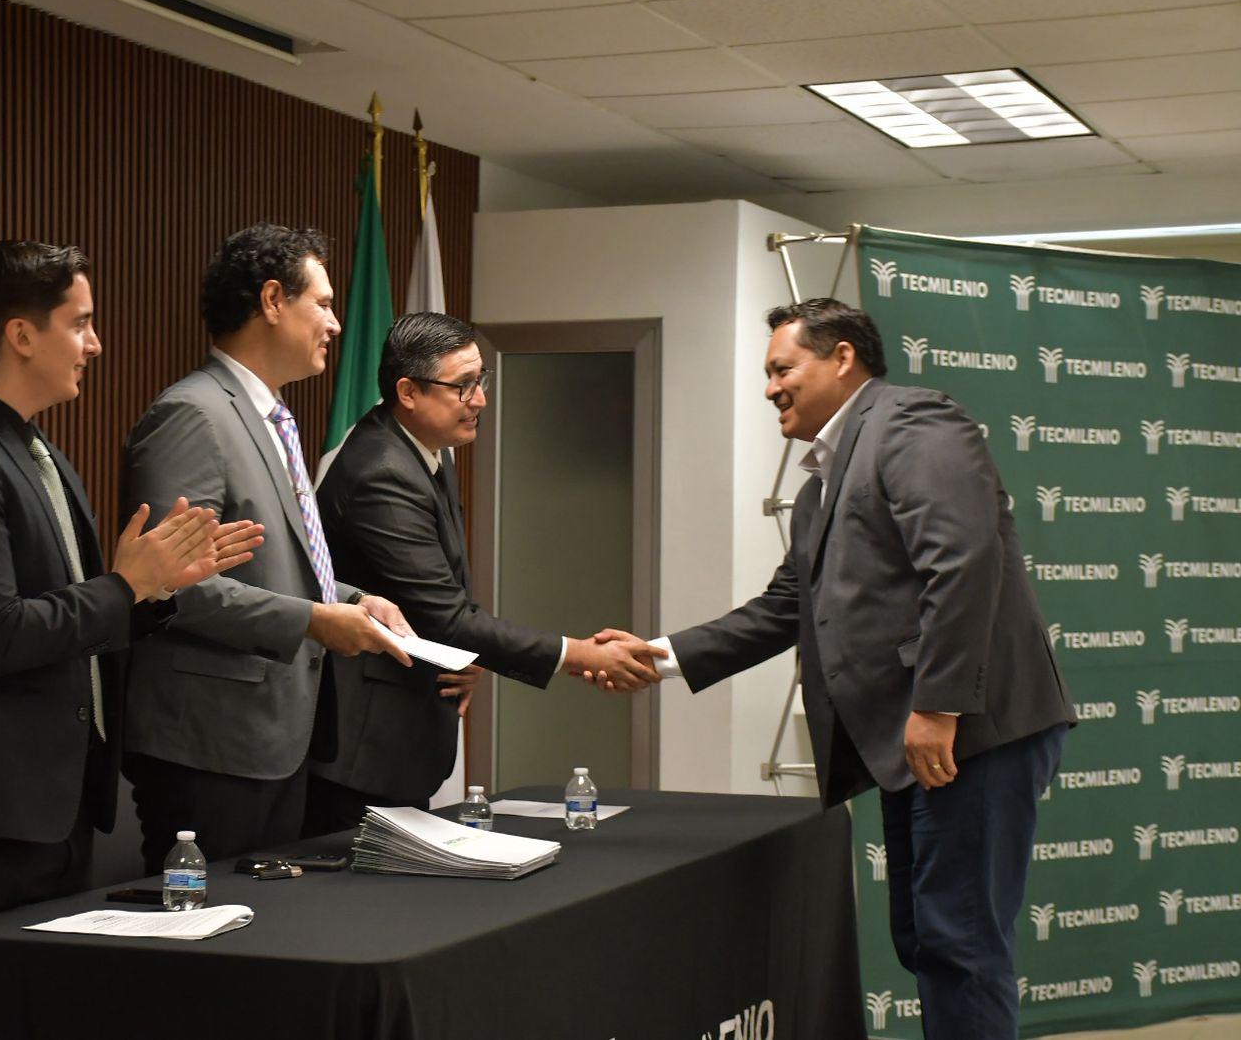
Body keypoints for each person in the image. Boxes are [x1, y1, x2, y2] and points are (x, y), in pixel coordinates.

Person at [610, 298, 1074, 1039]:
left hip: (968, 732)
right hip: (916, 741)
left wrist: (938, 706)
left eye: (782, 368)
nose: (770, 388)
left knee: (961, 946)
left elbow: (963, 561)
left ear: (843, 357)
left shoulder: (912, 422)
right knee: (927, 939)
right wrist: (656, 657)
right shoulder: (819, 486)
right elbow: (783, 609)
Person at [0, 241, 263, 989]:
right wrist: (125, 584)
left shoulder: (35, 449)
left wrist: (155, 590)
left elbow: (78, 617)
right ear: (21, 334)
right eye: (80, 323)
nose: (95, 343)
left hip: (47, 812)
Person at [120, 223, 413, 869]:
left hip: (279, 736)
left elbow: (276, 565)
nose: (335, 324)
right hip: (211, 747)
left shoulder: (268, 416)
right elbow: (170, 587)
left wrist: (352, 600)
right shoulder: (194, 415)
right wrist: (313, 620)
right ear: (274, 300)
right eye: (323, 304)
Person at [306, 311, 665, 831]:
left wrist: (465, 652)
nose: (480, 400)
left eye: (481, 381)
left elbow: (437, 598)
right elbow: (447, 617)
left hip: (399, 733)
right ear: (408, 391)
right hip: (361, 749)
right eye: (464, 386)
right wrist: (582, 654)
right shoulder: (381, 471)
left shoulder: (424, 448)